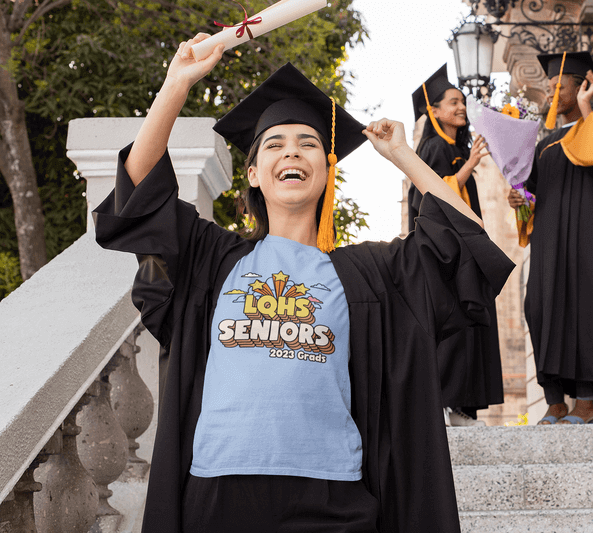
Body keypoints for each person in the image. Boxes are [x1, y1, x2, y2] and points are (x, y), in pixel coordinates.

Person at [93, 34, 514, 532]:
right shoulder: (211, 259)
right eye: (275, 144)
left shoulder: (370, 273)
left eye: (308, 143)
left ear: (326, 169)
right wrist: (176, 84)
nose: (292, 151)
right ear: (253, 173)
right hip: (217, 493)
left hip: (331, 495)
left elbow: (465, 242)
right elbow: (140, 195)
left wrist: (403, 154)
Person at [508, 51, 593, 425]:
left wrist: (589, 107)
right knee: (539, 307)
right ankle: (555, 400)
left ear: (582, 87)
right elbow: (534, 195)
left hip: (588, 241)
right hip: (549, 243)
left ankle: (586, 402)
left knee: (584, 308)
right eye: (549, 87)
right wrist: (520, 198)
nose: (552, 93)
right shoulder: (545, 143)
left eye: (561, 86)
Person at [408, 65, 504, 427]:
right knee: (457, 324)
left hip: (467, 249)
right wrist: (469, 167)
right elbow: (430, 196)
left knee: (472, 325)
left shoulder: (456, 148)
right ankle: (453, 406)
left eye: (462, 102)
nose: (461, 107)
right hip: (448, 253)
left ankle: (465, 407)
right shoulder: (433, 147)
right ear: (433, 111)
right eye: (453, 102)